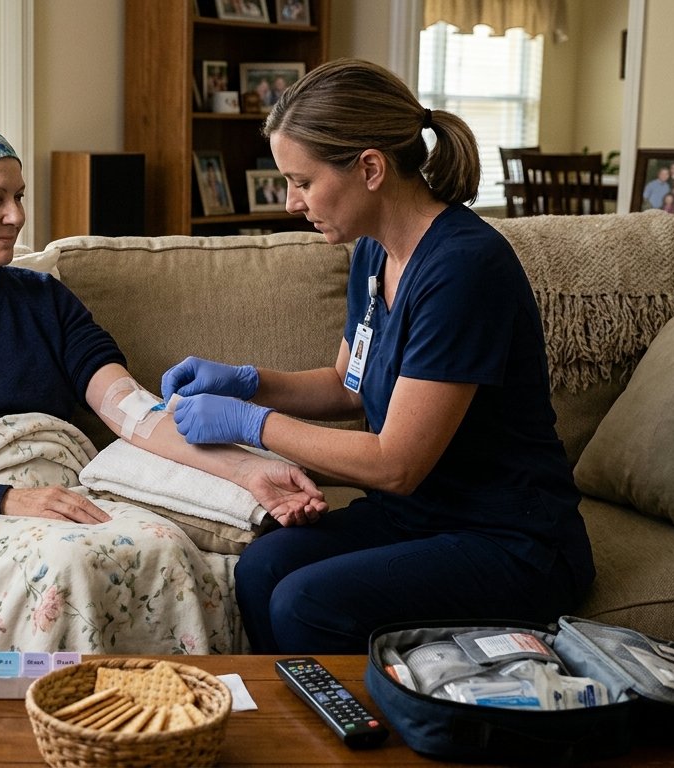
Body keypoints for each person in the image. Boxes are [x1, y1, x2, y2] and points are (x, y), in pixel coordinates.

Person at [0, 120, 327, 652]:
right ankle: (65, 724)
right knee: (69, 565)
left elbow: (136, 413)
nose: (16, 216)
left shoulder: (44, 301)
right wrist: (9, 500)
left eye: (17, 196)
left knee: (164, 548)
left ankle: (171, 718)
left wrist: (249, 469)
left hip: (60, 491)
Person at [159, 59, 595, 655]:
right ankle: (299, 729)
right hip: (416, 518)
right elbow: (348, 385)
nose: (290, 202)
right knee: (263, 567)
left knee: (304, 602)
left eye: (302, 181)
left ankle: (353, 740)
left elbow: (396, 464)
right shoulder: (373, 253)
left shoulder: (464, 268)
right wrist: (246, 382)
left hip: (510, 540)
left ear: (369, 168)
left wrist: (251, 424)